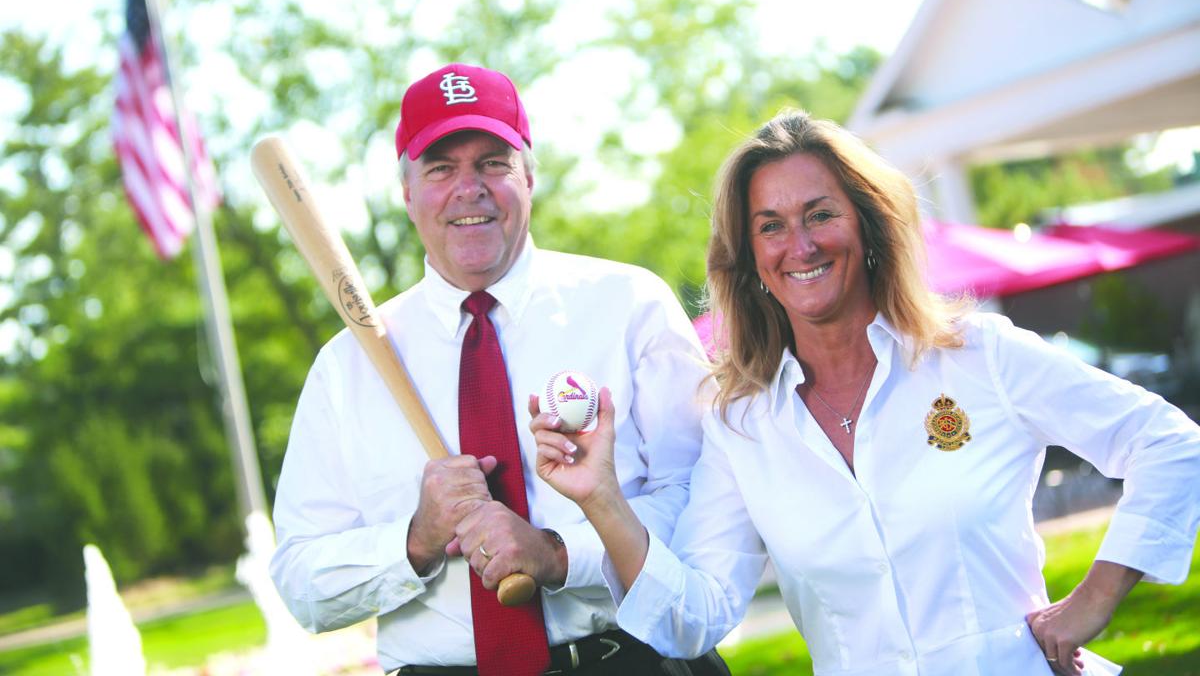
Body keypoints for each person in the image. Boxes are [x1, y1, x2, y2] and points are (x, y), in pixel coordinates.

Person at [533, 109, 1200, 676]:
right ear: (750, 258)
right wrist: (602, 499)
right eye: (770, 225)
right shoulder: (741, 427)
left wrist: (1096, 595)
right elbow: (695, 617)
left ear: (867, 225)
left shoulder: (978, 356)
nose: (799, 245)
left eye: (819, 214)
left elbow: (1171, 444)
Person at [270, 63, 730, 676]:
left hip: (627, 660)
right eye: (440, 168)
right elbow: (301, 582)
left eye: (493, 162)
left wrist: (559, 554)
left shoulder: (628, 305)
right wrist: (416, 539)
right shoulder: (345, 368)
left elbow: (704, 503)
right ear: (407, 194)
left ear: (530, 177)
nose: (470, 188)